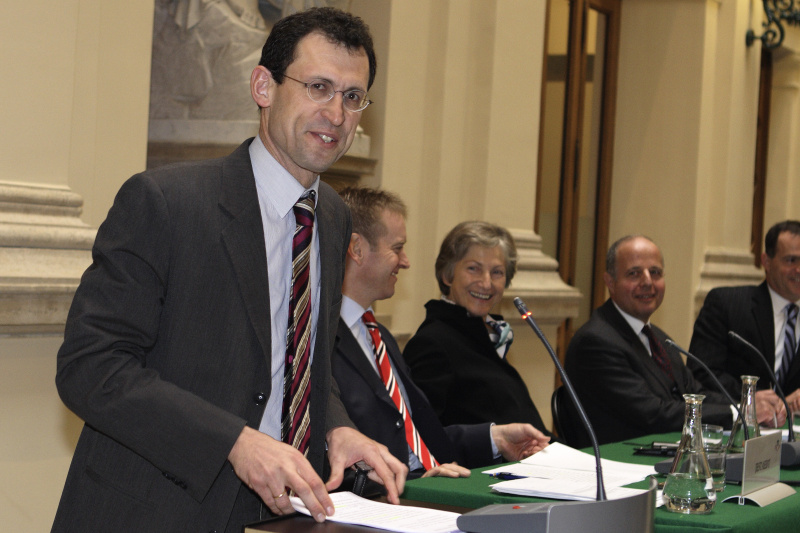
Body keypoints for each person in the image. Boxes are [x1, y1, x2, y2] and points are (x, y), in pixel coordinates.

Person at [52, 8, 406, 533]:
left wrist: (336, 428)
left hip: (282, 514)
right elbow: (91, 367)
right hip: (155, 510)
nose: (336, 113)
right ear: (263, 86)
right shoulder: (166, 202)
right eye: (318, 87)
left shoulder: (331, 216)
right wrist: (233, 442)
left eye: (352, 97)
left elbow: (305, 365)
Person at [332, 189, 550, 480]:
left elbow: (419, 434)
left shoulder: (377, 334)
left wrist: (495, 438)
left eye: (497, 272)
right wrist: (413, 482)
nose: (406, 261)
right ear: (357, 248)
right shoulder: (318, 337)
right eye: (397, 248)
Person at [563, 235, 734, 446]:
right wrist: (731, 414)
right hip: (617, 465)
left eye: (655, 273)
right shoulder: (595, 342)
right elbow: (654, 414)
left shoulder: (659, 339)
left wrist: (745, 406)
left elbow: (694, 394)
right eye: (634, 274)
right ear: (610, 282)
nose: (647, 282)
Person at [402, 221, 552, 437]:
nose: (486, 283)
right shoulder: (432, 343)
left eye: (497, 272)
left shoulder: (488, 334)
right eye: (474, 269)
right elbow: (423, 437)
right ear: (447, 275)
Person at [689, 220, 799, 417]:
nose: (799, 270)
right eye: (791, 260)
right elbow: (702, 373)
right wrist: (751, 398)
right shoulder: (727, 304)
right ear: (766, 261)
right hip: (738, 429)